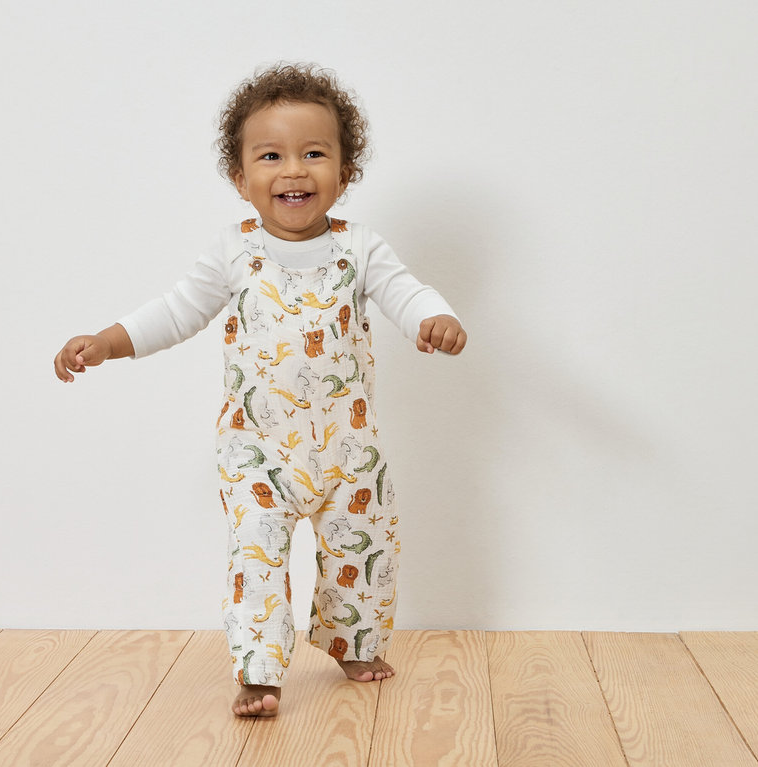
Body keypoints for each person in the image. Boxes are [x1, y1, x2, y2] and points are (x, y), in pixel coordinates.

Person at [54, 63, 467, 717]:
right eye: (271, 156)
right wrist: (108, 340)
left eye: (314, 153)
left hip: (349, 451)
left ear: (345, 171)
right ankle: (260, 671)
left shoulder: (360, 249)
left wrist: (432, 319)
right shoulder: (235, 252)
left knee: (364, 548)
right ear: (241, 178)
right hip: (258, 455)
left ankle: (353, 641)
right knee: (256, 557)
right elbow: (177, 310)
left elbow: (404, 292)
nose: (294, 170)